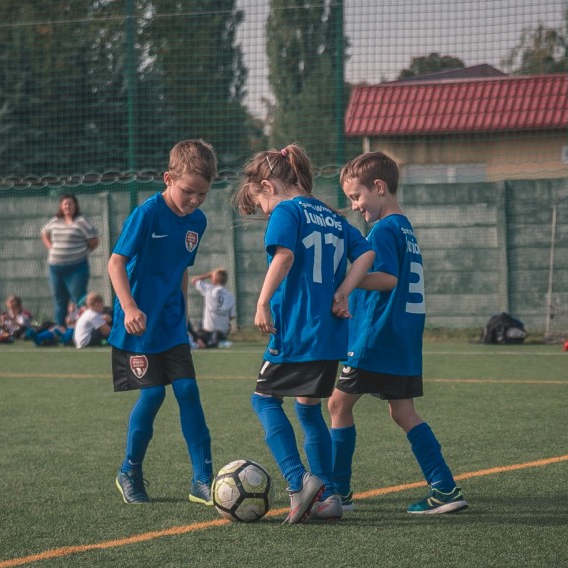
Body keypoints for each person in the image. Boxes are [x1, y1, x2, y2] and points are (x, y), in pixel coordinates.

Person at [231, 144, 374, 524]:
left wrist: (262, 302)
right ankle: (326, 497)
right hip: (331, 334)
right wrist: (343, 291)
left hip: (297, 329)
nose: (266, 213)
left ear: (269, 186)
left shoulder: (287, 210)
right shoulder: (329, 213)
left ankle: (298, 482)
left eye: (261, 205)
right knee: (308, 409)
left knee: (263, 401)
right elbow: (366, 255)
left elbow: (285, 256)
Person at [327, 151, 468, 516]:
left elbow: (387, 278)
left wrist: (345, 283)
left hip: (377, 337)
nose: (355, 206)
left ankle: (338, 493)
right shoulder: (406, 227)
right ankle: (444, 487)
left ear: (379, 187)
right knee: (402, 411)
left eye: (357, 196)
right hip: (403, 338)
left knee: (338, 404)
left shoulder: (385, 229)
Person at [108, 139, 218, 506]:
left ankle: (203, 479)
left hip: (171, 325)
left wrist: (183, 316)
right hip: (137, 324)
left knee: (188, 392)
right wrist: (130, 307)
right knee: (153, 394)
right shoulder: (148, 214)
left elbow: (182, 271)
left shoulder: (197, 222)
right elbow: (115, 263)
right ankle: (129, 471)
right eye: (189, 191)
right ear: (168, 178)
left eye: (203, 194)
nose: (195, 201)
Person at [41, 194, 100, 328]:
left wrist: (84, 251)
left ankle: (81, 328)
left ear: (75, 206)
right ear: (61, 207)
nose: (68, 206)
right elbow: (44, 233)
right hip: (55, 268)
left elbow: (94, 240)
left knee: (79, 299)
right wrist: (51, 247)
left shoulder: (82, 221)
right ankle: (60, 330)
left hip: (76, 267)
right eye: (65, 204)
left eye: (70, 204)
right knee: (60, 300)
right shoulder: (55, 221)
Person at [188, 268, 236, 348]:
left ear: (213, 279)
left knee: (196, 335)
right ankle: (218, 339)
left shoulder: (209, 289)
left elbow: (194, 280)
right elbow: (232, 316)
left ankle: (210, 340)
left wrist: (209, 274)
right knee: (215, 334)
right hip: (222, 330)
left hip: (208, 329)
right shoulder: (231, 295)